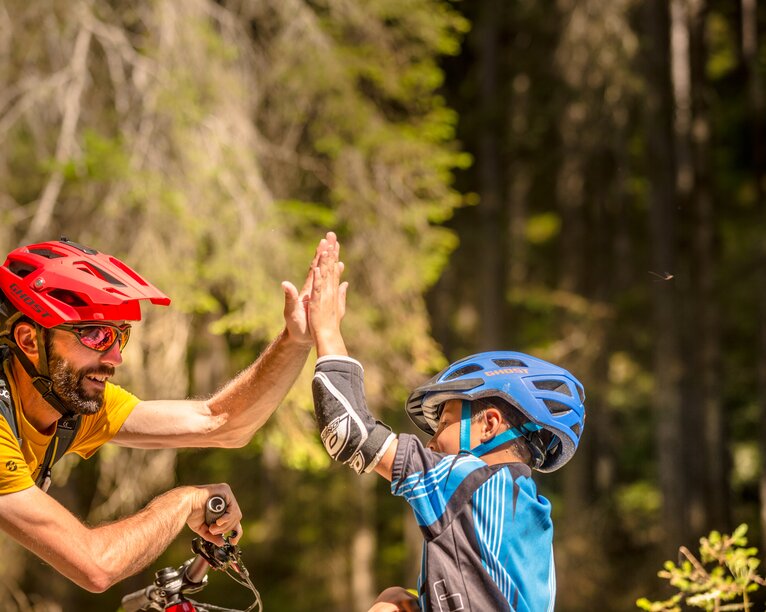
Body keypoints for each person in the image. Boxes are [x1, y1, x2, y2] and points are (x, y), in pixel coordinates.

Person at [0, 233, 337, 593]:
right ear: (29, 341)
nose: (115, 358)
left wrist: (295, 339)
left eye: (119, 336)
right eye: (95, 335)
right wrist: (182, 501)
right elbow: (95, 565)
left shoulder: (70, 402)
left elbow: (220, 424)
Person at [308, 245, 586, 612]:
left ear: (488, 425)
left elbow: (349, 432)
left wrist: (325, 330)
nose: (432, 439)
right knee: (396, 601)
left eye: (445, 421)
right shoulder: (531, 512)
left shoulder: (471, 480)